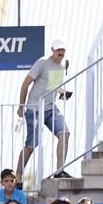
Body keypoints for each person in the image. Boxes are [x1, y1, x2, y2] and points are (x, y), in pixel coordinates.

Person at [18, 38, 71, 181]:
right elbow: (26, 84)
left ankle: (60, 170)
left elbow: (52, 85)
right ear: (52, 50)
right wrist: (21, 106)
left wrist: (63, 92)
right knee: (31, 143)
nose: (60, 52)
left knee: (64, 133)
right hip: (34, 108)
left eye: (62, 50)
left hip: (50, 107)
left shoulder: (62, 65)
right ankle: (18, 177)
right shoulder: (42, 63)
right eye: (58, 50)